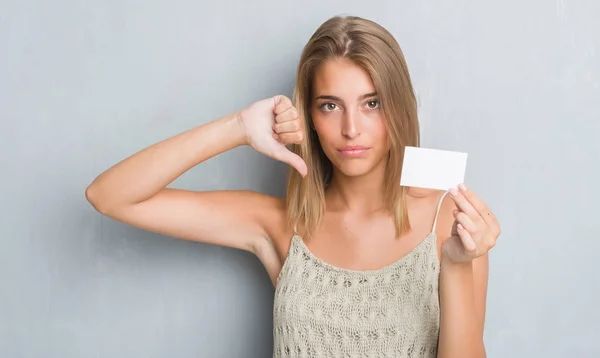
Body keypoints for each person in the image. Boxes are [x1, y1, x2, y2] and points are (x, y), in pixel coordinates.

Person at [85, 15, 500, 358]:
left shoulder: (450, 222)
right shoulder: (282, 224)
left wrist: (457, 265)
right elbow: (109, 196)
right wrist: (238, 128)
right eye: (330, 106)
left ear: (398, 107)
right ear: (310, 118)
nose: (351, 129)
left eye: (371, 103)